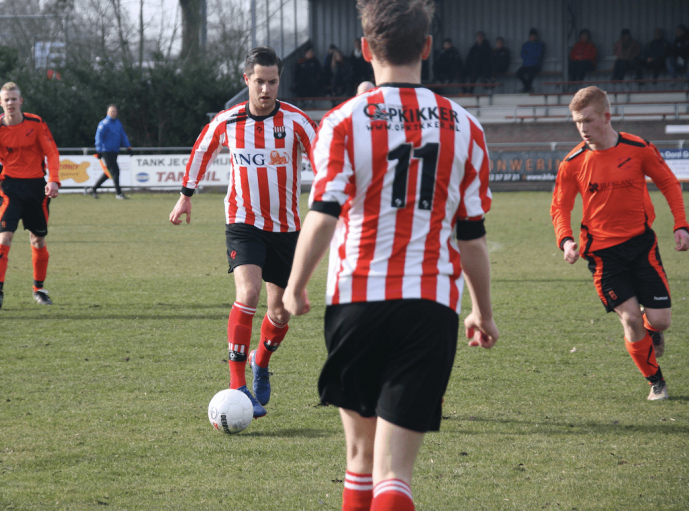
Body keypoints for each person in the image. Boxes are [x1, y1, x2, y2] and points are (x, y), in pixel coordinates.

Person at [282, 1, 499, 509]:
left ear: (364, 50)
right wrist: (483, 313)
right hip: (429, 307)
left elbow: (323, 213)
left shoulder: (341, 122)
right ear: (426, 47)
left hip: (356, 302)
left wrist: (294, 286)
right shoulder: (466, 127)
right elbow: (471, 237)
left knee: (358, 458)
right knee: (394, 474)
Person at [169, 47, 317, 419]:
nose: (266, 89)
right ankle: (238, 386)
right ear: (246, 79)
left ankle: (260, 360)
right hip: (243, 221)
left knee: (280, 312)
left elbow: (324, 162)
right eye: (259, 81)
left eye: (272, 82)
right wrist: (186, 195)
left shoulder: (298, 122)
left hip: (286, 227)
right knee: (248, 292)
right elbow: (203, 149)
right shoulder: (229, 121)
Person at [551, 86, 689, 401]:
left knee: (660, 320)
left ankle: (651, 331)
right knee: (629, 317)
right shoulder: (573, 162)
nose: (583, 128)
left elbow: (668, 182)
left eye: (587, 120)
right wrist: (566, 239)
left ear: (607, 116)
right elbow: (560, 206)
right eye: (577, 122)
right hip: (602, 255)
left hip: (642, 246)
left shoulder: (638, 148)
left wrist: (681, 225)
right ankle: (656, 381)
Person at [0, 82, 60, 309]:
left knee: (37, 240)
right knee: (4, 237)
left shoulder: (36, 123)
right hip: (10, 190)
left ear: (21, 101)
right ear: (0, 103)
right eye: (6, 99)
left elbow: (51, 152)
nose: (10, 103)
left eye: (14, 99)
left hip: (36, 189)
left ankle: (39, 289)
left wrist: (54, 180)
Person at [86, 104, 132, 199]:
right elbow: (98, 137)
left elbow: (123, 135)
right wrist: (98, 150)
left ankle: (93, 189)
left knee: (109, 172)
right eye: (112, 111)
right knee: (115, 170)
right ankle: (119, 194)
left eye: (115, 111)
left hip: (115, 151)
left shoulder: (118, 123)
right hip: (106, 151)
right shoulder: (104, 123)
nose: (113, 113)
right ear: (108, 112)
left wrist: (128, 147)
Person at [516, 28, 544, 92]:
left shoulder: (540, 45)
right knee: (518, 73)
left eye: (534, 36)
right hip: (526, 65)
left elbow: (538, 54)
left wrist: (529, 53)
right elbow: (522, 55)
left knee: (531, 73)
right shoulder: (526, 45)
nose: (532, 37)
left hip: (536, 65)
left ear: (536, 36)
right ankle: (528, 87)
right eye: (531, 36)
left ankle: (526, 88)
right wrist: (532, 54)